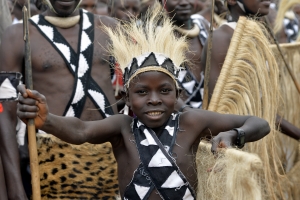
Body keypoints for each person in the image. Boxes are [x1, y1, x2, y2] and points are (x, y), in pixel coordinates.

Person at [17, 6, 270, 199]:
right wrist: (47, 120)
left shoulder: (193, 121)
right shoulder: (122, 128)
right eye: (142, 92)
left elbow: (259, 124)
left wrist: (234, 134)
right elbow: (81, 130)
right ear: (126, 97)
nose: (154, 100)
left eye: (164, 90)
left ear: (177, 93)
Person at [0, 0, 119, 198]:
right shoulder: (18, 35)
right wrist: (16, 191)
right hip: (52, 167)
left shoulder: (110, 28)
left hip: (111, 160)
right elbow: (5, 116)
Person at [162, 0, 209, 109]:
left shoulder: (204, 25)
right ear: (162, 2)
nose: (184, 2)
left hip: (213, 111)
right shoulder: (158, 37)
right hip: (178, 117)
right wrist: (187, 112)